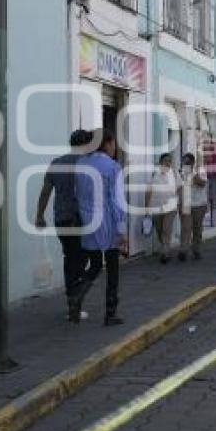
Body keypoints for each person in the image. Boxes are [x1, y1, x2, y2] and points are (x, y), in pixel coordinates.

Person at [35, 129, 91, 323]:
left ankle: (71, 303)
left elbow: (45, 192)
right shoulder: (87, 164)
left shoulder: (56, 163)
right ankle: (76, 301)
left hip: (62, 219)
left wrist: (39, 215)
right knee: (85, 261)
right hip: (81, 220)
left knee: (69, 259)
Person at [74, 129, 128, 326]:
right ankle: (110, 312)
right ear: (106, 144)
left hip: (88, 222)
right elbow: (117, 200)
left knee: (95, 265)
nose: (115, 148)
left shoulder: (81, 164)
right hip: (108, 223)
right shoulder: (112, 167)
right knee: (112, 269)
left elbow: (77, 194)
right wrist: (121, 228)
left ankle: (77, 294)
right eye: (113, 143)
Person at [146, 153, 180, 263]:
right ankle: (165, 247)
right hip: (156, 207)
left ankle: (165, 253)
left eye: (170, 161)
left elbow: (180, 188)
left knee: (166, 230)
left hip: (170, 207)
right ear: (161, 162)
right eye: (166, 161)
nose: (168, 163)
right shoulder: (154, 174)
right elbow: (148, 191)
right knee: (160, 230)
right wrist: (146, 207)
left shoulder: (174, 174)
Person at [179, 153, 208, 260]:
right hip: (186, 204)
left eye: (187, 162)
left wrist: (191, 174)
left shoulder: (200, 171)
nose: (185, 164)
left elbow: (202, 183)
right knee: (185, 228)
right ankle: (183, 250)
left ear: (192, 162)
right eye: (184, 162)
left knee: (197, 228)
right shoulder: (181, 172)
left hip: (199, 204)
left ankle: (196, 249)